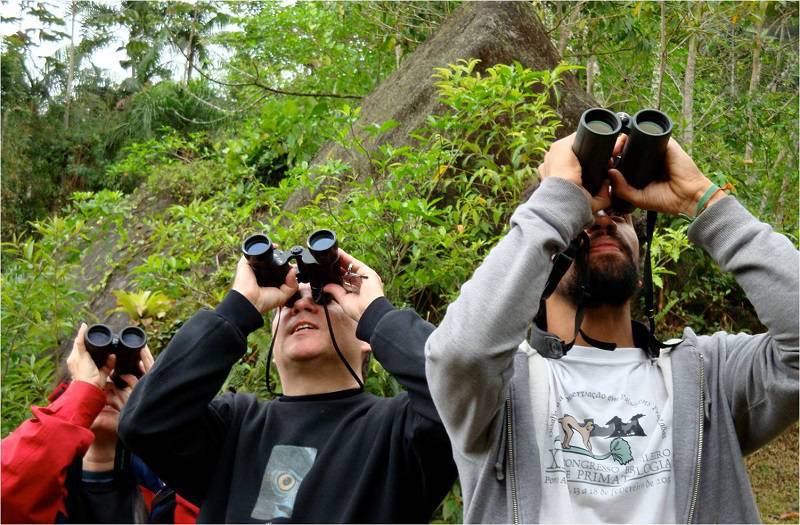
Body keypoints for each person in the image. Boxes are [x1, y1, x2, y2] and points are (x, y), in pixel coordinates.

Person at [425, 133, 798, 523]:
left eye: (619, 214)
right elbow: (459, 354)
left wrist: (700, 198)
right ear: (539, 257)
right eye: (584, 219)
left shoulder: (710, 375)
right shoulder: (500, 389)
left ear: (640, 258)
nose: (603, 221)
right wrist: (556, 201)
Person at [118, 248, 457, 523]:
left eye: (324, 299)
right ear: (272, 339)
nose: (303, 304)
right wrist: (238, 307)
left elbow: (461, 389)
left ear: (366, 336)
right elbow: (145, 423)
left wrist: (378, 312)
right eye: (288, 303)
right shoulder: (233, 428)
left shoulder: (399, 431)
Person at [1, 324, 199, 523]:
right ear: (68, 392)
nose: (106, 388)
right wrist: (82, 397)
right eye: (95, 379)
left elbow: (207, 507)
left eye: (121, 382)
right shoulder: (42, 486)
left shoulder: (165, 481)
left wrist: (161, 423)